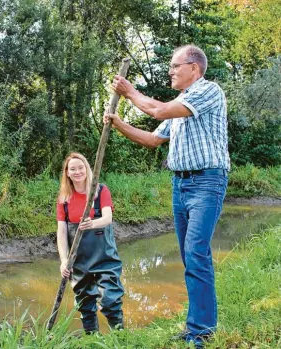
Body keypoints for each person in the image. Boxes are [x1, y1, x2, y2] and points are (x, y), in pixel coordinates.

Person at [104, 45, 230, 348]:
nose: (170, 71)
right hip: (180, 185)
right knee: (190, 258)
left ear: (194, 69)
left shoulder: (208, 91)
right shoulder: (181, 105)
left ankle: (201, 332)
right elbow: (151, 140)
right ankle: (195, 327)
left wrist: (130, 92)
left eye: (175, 66)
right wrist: (117, 122)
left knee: (197, 254)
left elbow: (158, 110)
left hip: (206, 183)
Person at [56, 152, 124, 334]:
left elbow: (108, 218)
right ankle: (92, 340)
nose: (77, 171)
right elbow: (62, 233)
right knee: (85, 304)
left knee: (110, 300)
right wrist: (64, 261)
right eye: (73, 169)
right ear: (67, 173)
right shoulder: (64, 200)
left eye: (81, 167)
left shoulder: (100, 191)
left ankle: (120, 338)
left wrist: (92, 223)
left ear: (87, 169)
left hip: (105, 258)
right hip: (79, 262)